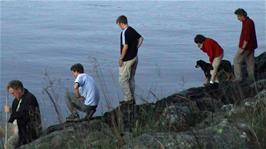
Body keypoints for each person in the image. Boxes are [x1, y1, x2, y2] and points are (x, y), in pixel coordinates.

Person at [4, 80, 42, 148]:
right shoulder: (16, 101)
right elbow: (12, 118)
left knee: (9, 144)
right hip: (19, 128)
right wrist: (7, 126)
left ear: (19, 90)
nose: (12, 95)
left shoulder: (30, 99)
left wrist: (11, 111)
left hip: (29, 131)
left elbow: (25, 116)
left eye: (13, 93)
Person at [116, 15, 144, 104]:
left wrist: (121, 58)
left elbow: (125, 46)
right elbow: (141, 38)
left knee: (122, 80)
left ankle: (128, 99)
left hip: (127, 60)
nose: (119, 27)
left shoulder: (124, 32)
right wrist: (136, 48)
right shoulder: (131, 29)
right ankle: (132, 97)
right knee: (131, 78)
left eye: (118, 25)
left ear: (121, 23)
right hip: (135, 58)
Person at [233, 8, 257, 81]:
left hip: (246, 47)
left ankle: (238, 78)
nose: (237, 18)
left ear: (241, 15)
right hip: (252, 46)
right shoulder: (249, 21)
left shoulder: (247, 23)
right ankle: (251, 78)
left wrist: (242, 49)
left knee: (236, 61)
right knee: (250, 62)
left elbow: (246, 37)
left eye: (238, 16)